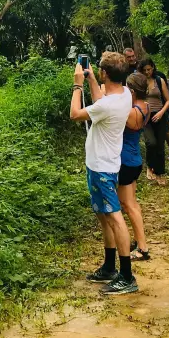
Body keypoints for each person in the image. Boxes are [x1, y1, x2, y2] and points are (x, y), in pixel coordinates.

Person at [70, 52, 138, 295]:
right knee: (103, 215)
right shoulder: (125, 94)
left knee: (114, 217)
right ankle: (110, 266)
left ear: (105, 74)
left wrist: (77, 84)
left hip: (102, 167)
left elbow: (75, 114)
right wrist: (90, 80)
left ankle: (127, 275)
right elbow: (101, 100)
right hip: (102, 163)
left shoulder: (108, 104)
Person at [121, 72, 151, 261]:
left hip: (125, 161)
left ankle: (142, 247)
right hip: (135, 160)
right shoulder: (145, 106)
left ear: (131, 90)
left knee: (128, 205)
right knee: (132, 203)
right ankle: (139, 240)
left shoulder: (131, 112)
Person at [139, 58, 169, 185]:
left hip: (159, 114)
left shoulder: (159, 80)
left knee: (160, 145)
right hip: (145, 116)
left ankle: (159, 173)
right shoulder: (140, 82)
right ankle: (149, 166)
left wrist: (161, 112)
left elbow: (168, 100)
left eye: (149, 69)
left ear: (153, 68)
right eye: (145, 70)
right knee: (150, 142)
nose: (147, 72)